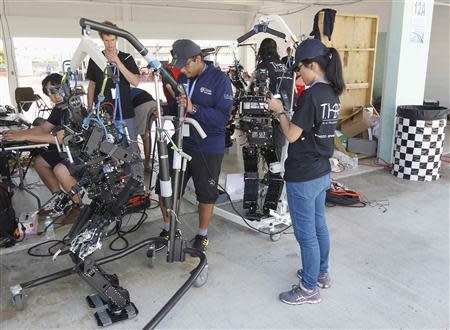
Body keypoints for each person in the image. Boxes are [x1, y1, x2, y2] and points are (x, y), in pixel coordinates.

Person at [268, 38, 345, 305]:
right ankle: (321, 273)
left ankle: (309, 288)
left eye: (300, 67)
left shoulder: (311, 94)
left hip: (303, 174)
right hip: (322, 171)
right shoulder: (332, 92)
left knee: (306, 235)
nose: (298, 73)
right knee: (319, 226)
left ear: (313, 65)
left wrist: (279, 112)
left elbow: (291, 135)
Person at [157, 39, 233, 252]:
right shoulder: (182, 77)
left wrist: (195, 108)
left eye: (186, 64)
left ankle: (202, 234)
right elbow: (177, 106)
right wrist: (165, 109)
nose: (182, 69)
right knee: (166, 188)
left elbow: (222, 118)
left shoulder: (220, 81)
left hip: (208, 146)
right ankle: (168, 228)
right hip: (180, 143)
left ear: (198, 59)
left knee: (206, 193)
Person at [4, 73, 81, 205]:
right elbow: (44, 128)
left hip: (80, 153)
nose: (54, 95)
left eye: (57, 89)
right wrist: (20, 133)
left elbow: (61, 138)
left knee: (59, 169)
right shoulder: (59, 108)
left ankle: (78, 206)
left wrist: (25, 136)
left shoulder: (74, 107)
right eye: (49, 92)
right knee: (40, 162)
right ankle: (60, 199)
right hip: (67, 150)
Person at [85, 20, 141, 174]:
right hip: (103, 113)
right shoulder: (95, 58)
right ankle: (111, 181)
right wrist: (90, 108)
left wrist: (117, 62)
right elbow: (92, 85)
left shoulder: (127, 58)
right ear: (102, 39)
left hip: (124, 112)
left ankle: (135, 180)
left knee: (130, 147)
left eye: (112, 40)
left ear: (117, 39)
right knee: (104, 147)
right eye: (106, 40)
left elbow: (135, 81)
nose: (109, 44)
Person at [255, 38, 294, 159]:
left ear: (262, 50)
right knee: (286, 140)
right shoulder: (282, 64)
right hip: (292, 104)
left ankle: (277, 171)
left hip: (277, 107)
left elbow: (260, 89)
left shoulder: (263, 65)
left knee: (278, 142)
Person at [130, 87, 157, 173]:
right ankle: (147, 162)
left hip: (142, 105)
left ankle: (138, 164)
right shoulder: (132, 89)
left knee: (133, 136)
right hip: (153, 104)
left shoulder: (122, 92)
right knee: (146, 134)